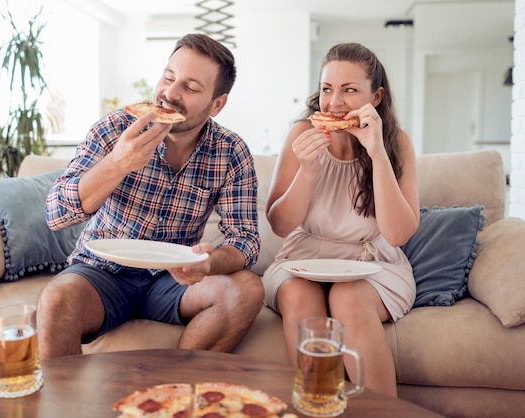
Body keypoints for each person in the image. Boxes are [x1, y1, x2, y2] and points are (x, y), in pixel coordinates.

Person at [37, 33, 264, 359]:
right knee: (55, 300)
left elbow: (246, 240)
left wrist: (206, 262)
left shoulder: (231, 151)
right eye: (168, 77)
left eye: (191, 87)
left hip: (174, 279)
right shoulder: (115, 129)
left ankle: (175, 392)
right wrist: (117, 164)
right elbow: (56, 214)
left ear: (217, 104)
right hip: (101, 272)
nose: (170, 93)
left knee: (247, 289)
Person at [262, 42, 420, 397]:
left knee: (348, 298)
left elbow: (397, 235)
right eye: (327, 89)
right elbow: (281, 226)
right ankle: (316, 404)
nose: (334, 103)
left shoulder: (398, 144)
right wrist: (308, 170)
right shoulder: (302, 134)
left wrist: (377, 153)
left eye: (350, 90)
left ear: (376, 96)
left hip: (375, 263)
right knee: (300, 296)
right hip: (304, 259)